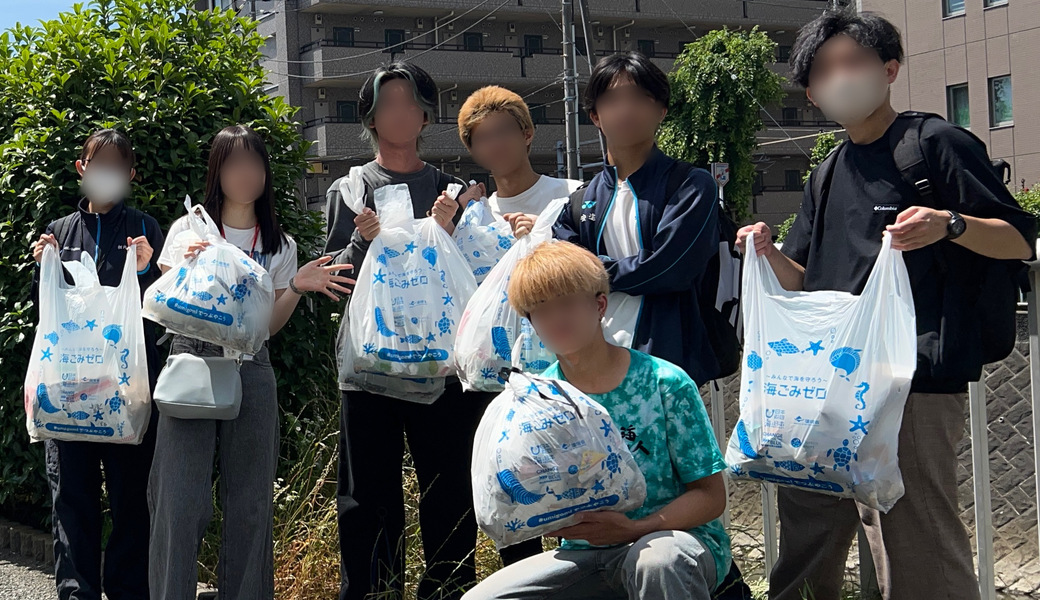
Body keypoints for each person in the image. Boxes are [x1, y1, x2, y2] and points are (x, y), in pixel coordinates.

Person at [735, 9, 1037, 600]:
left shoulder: (934, 144)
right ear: (811, 93)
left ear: (890, 68)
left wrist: (950, 224)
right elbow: (805, 281)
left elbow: (1019, 239)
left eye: (853, 62)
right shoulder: (828, 170)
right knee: (810, 527)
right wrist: (767, 253)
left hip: (914, 378)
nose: (839, 78)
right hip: (828, 378)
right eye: (823, 71)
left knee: (915, 534)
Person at [148, 125, 353, 599]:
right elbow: (168, 304)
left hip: (251, 366)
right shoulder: (188, 230)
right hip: (192, 361)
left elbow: (268, 328)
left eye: (254, 163)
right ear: (217, 172)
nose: (245, 173)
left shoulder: (282, 246)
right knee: (178, 500)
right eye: (234, 163)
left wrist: (296, 287)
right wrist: (190, 264)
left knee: (251, 503)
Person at [463, 240, 731, 600]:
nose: (557, 320)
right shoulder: (538, 402)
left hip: (670, 540)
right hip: (583, 554)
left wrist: (636, 527)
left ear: (599, 305)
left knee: (659, 563)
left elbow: (711, 496)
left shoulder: (663, 382)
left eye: (567, 303)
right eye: (541, 310)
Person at [323, 61, 490, 600]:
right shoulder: (351, 189)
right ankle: (373, 593)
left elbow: (476, 273)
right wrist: (361, 241)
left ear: (426, 115)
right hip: (370, 367)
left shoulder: (452, 191)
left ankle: (447, 591)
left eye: (409, 103)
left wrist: (452, 227)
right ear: (370, 118)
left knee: (449, 490)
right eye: (387, 103)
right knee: (366, 498)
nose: (399, 113)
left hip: (442, 369)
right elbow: (335, 279)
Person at [29, 128, 164, 600]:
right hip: (67, 394)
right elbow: (46, 312)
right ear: (81, 169)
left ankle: (128, 590)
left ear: (131, 175)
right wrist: (42, 267)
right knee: (71, 499)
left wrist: (146, 269)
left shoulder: (145, 229)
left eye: (117, 166)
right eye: (97, 164)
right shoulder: (60, 231)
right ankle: (76, 592)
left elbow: (162, 307)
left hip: (125, 394)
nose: (106, 174)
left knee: (132, 501)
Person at [552, 52, 723, 387]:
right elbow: (562, 268)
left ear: (661, 110)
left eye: (639, 98)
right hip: (590, 363)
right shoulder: (580, 200)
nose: (626, 110)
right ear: (595, 115)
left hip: (667, 366)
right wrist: (585, 273)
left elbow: (669, 269)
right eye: (612, 100)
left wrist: (591, 273)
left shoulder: (690, 185)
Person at [457, 85, 582, 239]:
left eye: (503, 132)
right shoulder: (481, 216)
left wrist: (547, 233)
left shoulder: (573, 194)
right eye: (483, 138)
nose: (495, 145)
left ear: (527, 135)